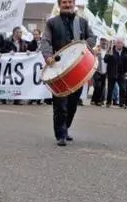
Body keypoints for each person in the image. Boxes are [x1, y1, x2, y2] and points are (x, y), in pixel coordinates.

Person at [40, 0, 96, 146]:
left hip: (77, 68)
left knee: (73, 104)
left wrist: (83, 45)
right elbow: (45, 41)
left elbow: (92, 38)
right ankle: (61, 134)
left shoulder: (82, 22)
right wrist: (48, 56)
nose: (68, 5)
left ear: (74, 3)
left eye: (70, 2)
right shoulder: (52, 23)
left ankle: (65, 127)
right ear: (60, 5)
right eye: (64, 2)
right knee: (60, 104)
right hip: (59, 67)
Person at [104, 37, 127, 109]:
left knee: (123, 88)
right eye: (118, 43)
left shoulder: (125, 51)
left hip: (121, 73)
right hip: (112, 72)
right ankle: (108, 102)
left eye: (121, 43)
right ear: (115, 43)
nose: (119, 44)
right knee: (110, 89)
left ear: (123, 44)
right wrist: (109, 55)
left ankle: (122, 103)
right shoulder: (111, 49)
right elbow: (105, 60)